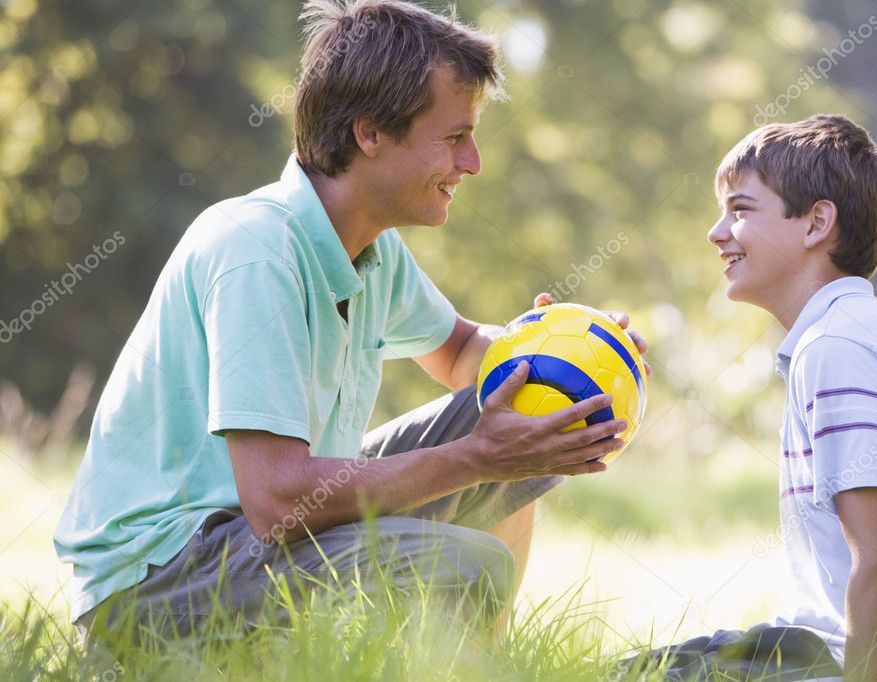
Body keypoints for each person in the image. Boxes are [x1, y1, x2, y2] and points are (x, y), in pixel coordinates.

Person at [54, 0, 648, 638]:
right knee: (469, 558)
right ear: (370, 133)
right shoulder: (257, 249)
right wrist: (480, 458)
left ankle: (481, 664)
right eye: (454, 138)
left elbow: (461, 356)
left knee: (518, 399)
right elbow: (279, 502)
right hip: (159, 583)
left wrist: (569, 349)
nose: (472, 162)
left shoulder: (371, 249)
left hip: (252, 539)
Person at [622, 115, 877, 681]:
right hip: (823, 650)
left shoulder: (838, 347)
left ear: (816, 223)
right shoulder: (850, 331)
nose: (716, 232)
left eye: (741, 210)